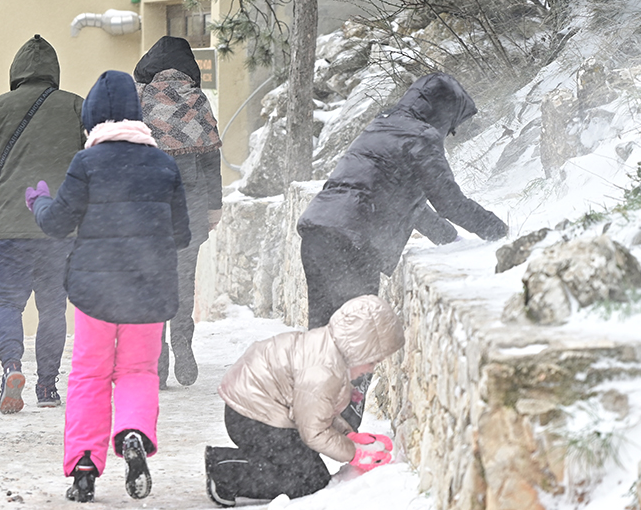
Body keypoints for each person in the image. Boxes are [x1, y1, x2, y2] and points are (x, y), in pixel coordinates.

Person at [296, 72, 508, 430]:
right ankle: (338, 433)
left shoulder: (380, 127)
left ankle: (303, 431)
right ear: (442, 113)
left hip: (319, 232)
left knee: (322, 342)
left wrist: (449, 239)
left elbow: (405, 200)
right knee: (357, 347)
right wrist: (500, 232)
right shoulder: (422, 137)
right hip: (354, 243)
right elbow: (448, 201)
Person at [26, 70, 191, 502]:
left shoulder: (87, 162)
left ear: (92, 119)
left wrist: (38, 201)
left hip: (95, 292)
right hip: (149, 291)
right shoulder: (164, 163)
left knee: (89, 375)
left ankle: (84, 464)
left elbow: (59, 222)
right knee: (138, 371)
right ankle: (133, 433)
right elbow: (182, 234)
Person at [0, 34, 85, 414]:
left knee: (7, 302)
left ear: (16, 73)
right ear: (52, 73)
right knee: (52, 308)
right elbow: (90, 160)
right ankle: (46, 386)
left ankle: (12, 368)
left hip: (9, 226)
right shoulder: (76, 106)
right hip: (57, 226)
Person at [205, 295, 404, 507]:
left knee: (307, 465)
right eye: (372, 361)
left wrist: (348, 435)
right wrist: (355, 453)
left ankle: (230, 465)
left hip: (259, 409)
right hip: (250, 417)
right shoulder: (323, 370)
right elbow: (314, 432)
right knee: (310, 480)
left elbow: (317, 409)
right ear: (358, 351)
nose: (371, 370)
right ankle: (225, 471)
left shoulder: (329, 349)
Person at [134, 36, 223, 389]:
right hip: (190, 207)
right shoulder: (197, 100)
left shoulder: (139, 102)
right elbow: (212, 160)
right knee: (183, 283)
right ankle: (182, 342)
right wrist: (214, 207)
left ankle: (157, 363)